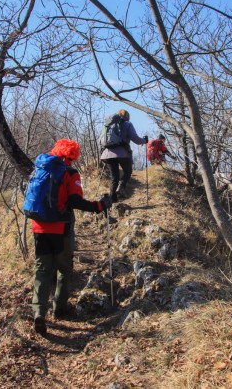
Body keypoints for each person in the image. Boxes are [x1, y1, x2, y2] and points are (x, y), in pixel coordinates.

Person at [30, 139, 112, 336]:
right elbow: (75, 201)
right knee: (64, 269)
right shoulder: (70, 173)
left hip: (38, 227)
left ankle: (39, 312)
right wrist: (99, 206)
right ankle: (60, 308)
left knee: (42, 270)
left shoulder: (40, 167)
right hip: (61, 228)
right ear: (73, 155)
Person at [100, 109, 148, 202]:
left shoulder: (108, 124)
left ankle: (112, 199)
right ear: (127, 116)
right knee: (128, 171)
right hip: (122, 153)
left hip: (107, 153)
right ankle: (121, 187)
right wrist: (144, 140)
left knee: (114, 177)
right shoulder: (127, 124)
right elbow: (136, 139)